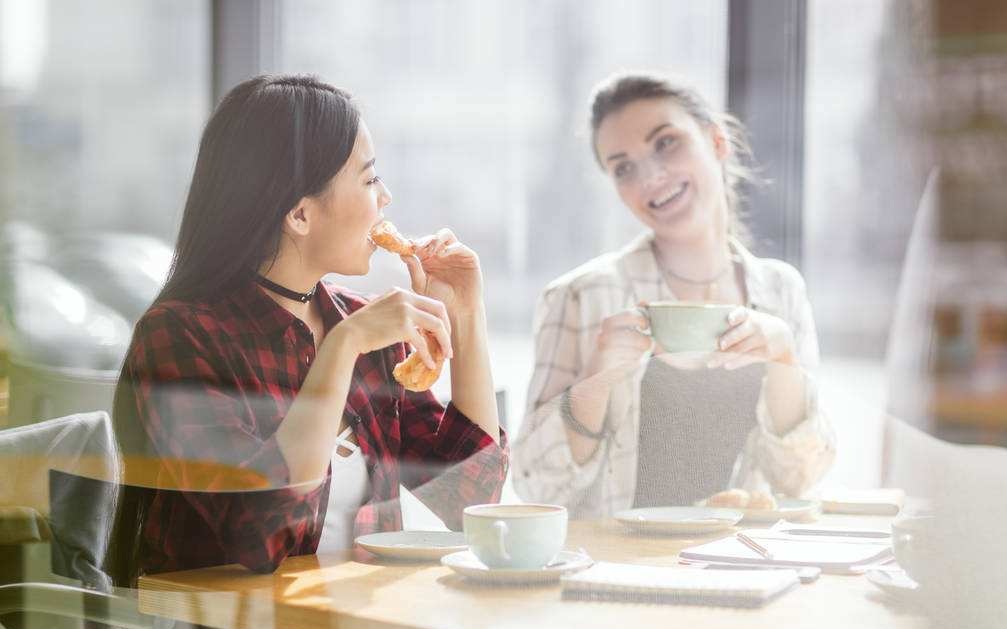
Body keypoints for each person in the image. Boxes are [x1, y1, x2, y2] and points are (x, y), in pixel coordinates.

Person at [112, 75, 506, 579]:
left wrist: (466, 315)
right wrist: (342, 347)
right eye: (369, 180)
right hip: (221, 613)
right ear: (299, 214)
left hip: (354, 610)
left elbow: (471, 501)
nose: (385, 197)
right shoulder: (178, 337)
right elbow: (260, 536)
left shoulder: (363, 327)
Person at [512, 71, 833, 517]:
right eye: (623, 168)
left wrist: (783, 361)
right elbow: (536, 488)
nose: (651, 176)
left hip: (739, 556)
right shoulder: (582, 296)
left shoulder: (781, 291)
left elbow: (799, 481)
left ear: (717, 141)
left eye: (666, 143)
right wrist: (597, 379)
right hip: (614, 559)